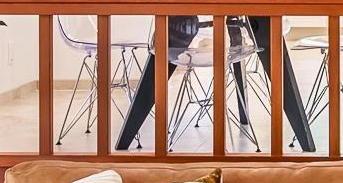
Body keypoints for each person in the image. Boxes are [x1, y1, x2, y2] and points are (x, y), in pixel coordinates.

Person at [111, 15, 319, 153]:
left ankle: (123, 144)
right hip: (226, 44)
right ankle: (305, 144)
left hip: (179, 43)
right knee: (256, 25)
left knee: (235, 28)